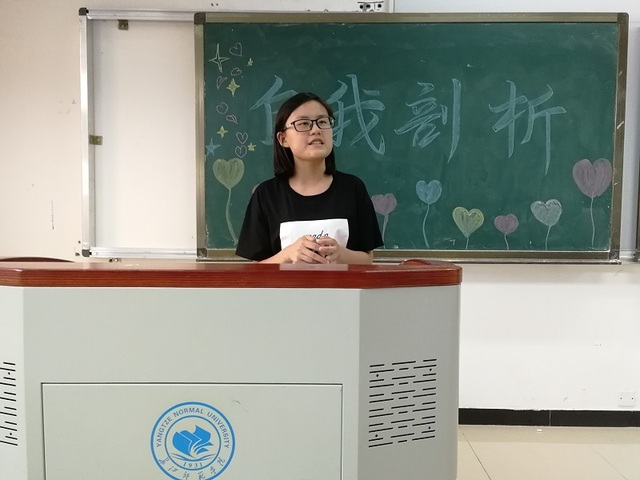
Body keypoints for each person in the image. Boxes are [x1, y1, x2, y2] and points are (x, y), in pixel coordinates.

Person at [235, 92, 383, 264]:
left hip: (342, 283)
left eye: (323, 122)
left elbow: (367, 259)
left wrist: (342, 255)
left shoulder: (353, 188)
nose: (316, 130)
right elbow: (256, 270)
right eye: (303, 123)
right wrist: (287, 255)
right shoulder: (266, 195)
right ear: (283, 139)